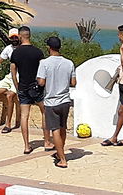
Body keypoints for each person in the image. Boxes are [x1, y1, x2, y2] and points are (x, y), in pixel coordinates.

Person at [10, 26, 51, 154]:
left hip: (23, 87)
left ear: (20, 36)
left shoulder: (15, 53)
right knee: (44, 112)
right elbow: (43, 71)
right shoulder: (38, 52)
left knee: (24, 116)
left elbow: (13, 73)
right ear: (29, 36)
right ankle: (47, 141)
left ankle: (27, 146)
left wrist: (17, 88)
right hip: (37, 87)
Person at [36, 36, 76, 168]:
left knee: (55, 130)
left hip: (51, 102)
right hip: (65, 100)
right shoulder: (69, 63)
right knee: (62, 128)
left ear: (49, 48)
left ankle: (62, 159)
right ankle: (60, 152)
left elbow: (41, 82)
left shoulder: (44, 63)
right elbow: (73, 82)